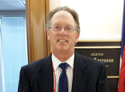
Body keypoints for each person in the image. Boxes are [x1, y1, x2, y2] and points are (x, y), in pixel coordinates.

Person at [18, 6, 109, 92]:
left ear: (77, 36)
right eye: (56, 27)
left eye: (68, 28)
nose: (62, 32)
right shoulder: (28, 73)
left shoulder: (97, 71)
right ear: (48, 34)